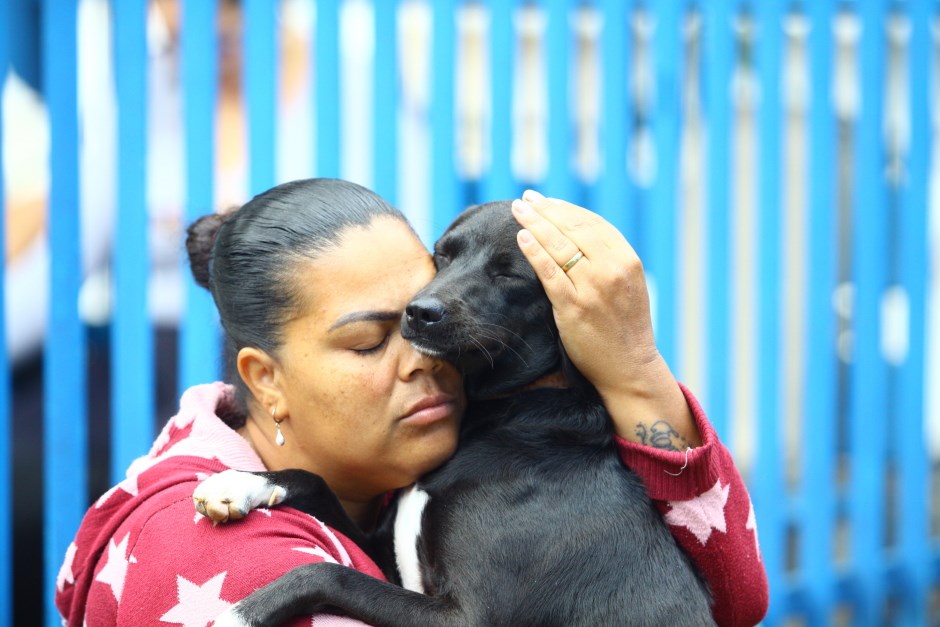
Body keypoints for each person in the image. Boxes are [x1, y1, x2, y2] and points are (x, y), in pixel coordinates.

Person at [54, 178, 768, 626]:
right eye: (370, 342)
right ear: (263, 377)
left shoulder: (396, 480)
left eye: (431, 321)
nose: (424, 358)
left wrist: (637, 375)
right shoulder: (218, 559)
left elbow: (735, 599)